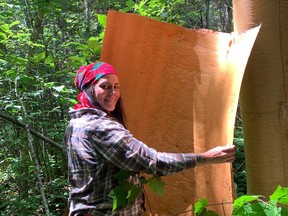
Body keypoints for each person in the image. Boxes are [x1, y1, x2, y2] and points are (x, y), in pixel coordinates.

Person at [64, 62, 236, 216]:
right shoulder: (100, 128)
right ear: (89, 89)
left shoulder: (76, 122)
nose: (113, 92)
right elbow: (152, 161)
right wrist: (205, 158)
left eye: (116, 86)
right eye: (105, 86)